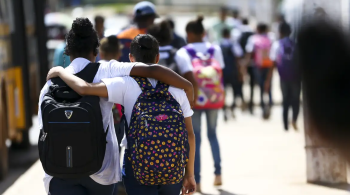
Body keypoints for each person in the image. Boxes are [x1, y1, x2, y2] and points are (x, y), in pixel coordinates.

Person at [39, 18, 194, 195]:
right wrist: (188, 86)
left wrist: (59, 70)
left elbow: (44, 129)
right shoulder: (107, 69)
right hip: (100, 170)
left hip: (58, 172)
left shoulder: (50, 85)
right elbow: (152, 70)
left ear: (68, 51)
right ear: (96, 51)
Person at [175, 16, 225, 193]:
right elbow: (220, 73)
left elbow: (187, 76)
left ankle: (199, 180)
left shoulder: (183, 52)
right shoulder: (215, 49)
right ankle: (218, 174)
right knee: (213, 135)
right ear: (203, 33)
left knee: (195, 138)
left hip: (194, 101)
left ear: (189, 33)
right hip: (214, 99)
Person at [269, 22, 300, 131]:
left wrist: (269, 79)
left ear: (280, 32)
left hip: (283, 76)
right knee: (295, 100)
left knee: (285, 100)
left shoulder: (277, 44)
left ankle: (285, 126)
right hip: (296, 76)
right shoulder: (296, 43)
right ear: (290, 31)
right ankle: (294, 120)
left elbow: (273, 62)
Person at [245, 23, 274, 119]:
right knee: (269, 85)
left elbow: (249, 51)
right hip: (269, 65)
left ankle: (262, 107)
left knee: (260, 86)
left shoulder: (253, 39)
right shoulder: (271, 37)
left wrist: (245, 65)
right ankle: (270, 105)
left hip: (258, 66)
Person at [220, 28, 245, 120]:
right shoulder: (234, 44)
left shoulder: (218, 45)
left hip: (222, 73)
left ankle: (224, 111)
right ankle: (233, 108)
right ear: (229, 35)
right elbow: (238, 59)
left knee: (223, 93)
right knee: (235, 92)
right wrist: (241, 72)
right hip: (233, 72)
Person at [238, 18, 255, 114]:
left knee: (241, 82)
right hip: (252, 62)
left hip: (241, 61)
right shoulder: (252, 32)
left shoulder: (238, 32)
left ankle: (243, 100)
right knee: (252, 83)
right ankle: (251, 103)